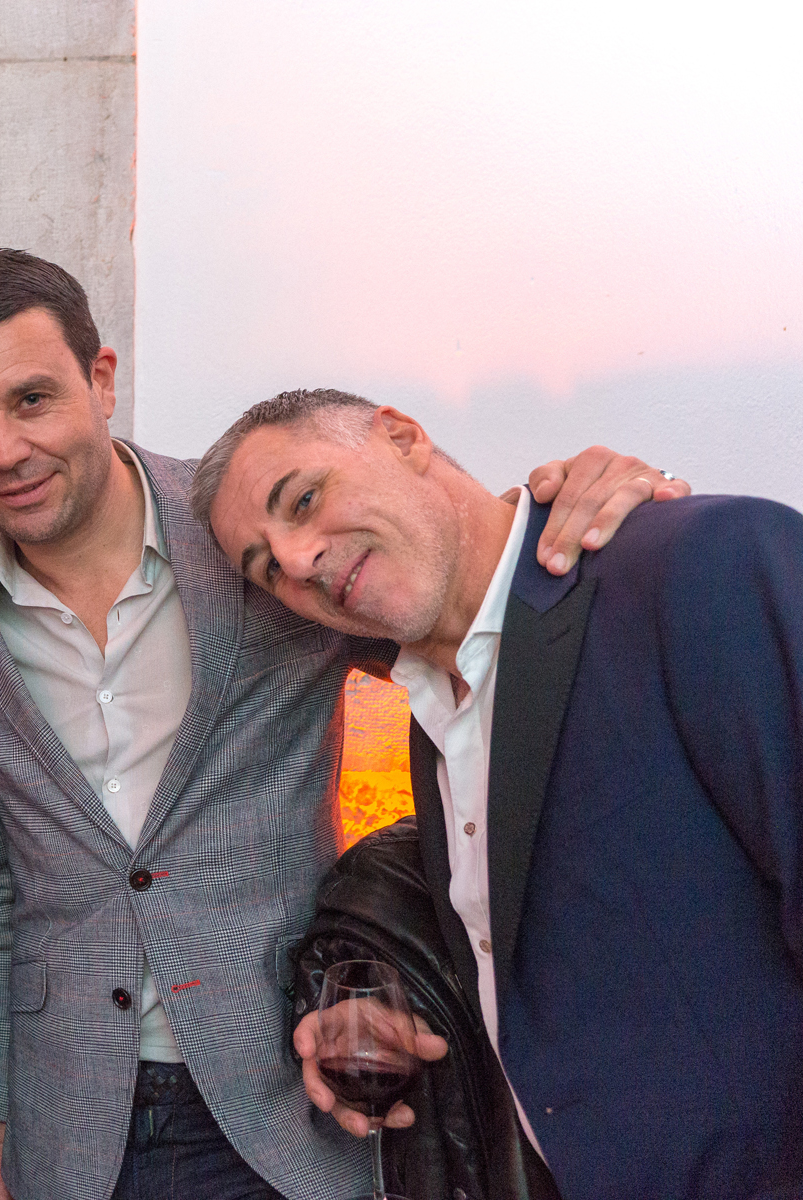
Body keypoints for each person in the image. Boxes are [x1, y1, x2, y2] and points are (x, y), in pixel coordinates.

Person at [0, 247, 684, 1200]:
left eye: (32, 400)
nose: (2, 451)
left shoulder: (250, 533)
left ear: (102, 381)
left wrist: (576, 505)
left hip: (287, 1088)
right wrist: (3, 1102)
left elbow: (458, 599)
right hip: (70, 1115)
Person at [198, 389, 803, 1200]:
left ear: (403, 436)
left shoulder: (704, 562)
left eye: (304, 500)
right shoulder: (430, 721)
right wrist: (412, 1018)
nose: (299, 560)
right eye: (267, 567)